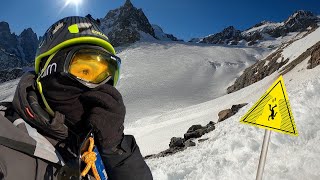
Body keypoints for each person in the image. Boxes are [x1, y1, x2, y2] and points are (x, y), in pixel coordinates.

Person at [0, 16, 153, 180]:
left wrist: (117, 152)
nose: (101, 87)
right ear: (48, 70)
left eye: (108, 75)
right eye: (84, 71)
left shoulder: (93, 147)